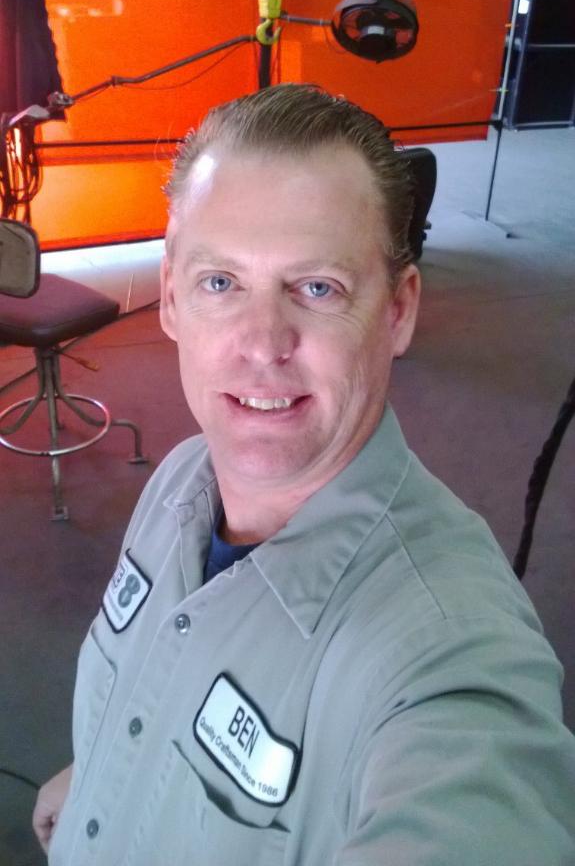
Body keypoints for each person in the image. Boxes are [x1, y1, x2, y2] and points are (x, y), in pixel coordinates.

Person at [34, 84, 575, 865]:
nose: (262, 343)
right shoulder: (181, 478)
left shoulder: (444, 649)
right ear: (172, 299)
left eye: (317, 288)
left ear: (397, 312)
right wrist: (97, 777)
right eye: (221, 283)